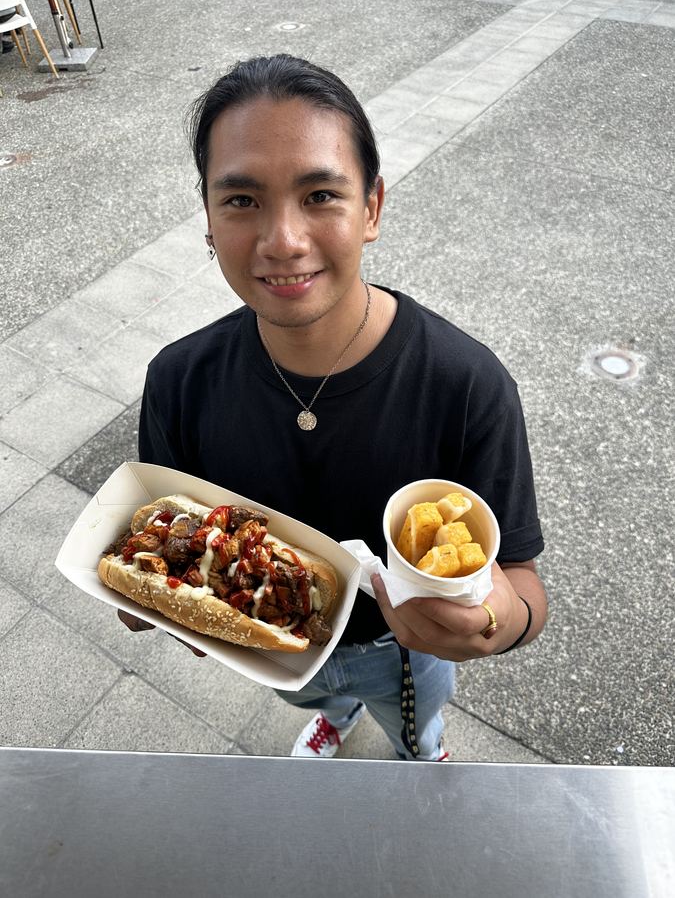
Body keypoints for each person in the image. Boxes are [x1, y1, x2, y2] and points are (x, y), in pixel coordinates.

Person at [119, 53, 547, 761]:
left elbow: (526, 585)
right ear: (207, 220)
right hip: (279, 647)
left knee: (414, 724)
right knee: (318, 693)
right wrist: (150, 600)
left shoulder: (466, 384)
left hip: (402, 653)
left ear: (371, 207)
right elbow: (165, 545)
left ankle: (421, 745)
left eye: (319, 195)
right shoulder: (178, 380)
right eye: (241, 199)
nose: (282, 240)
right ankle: (332, 715)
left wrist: (501, 621)